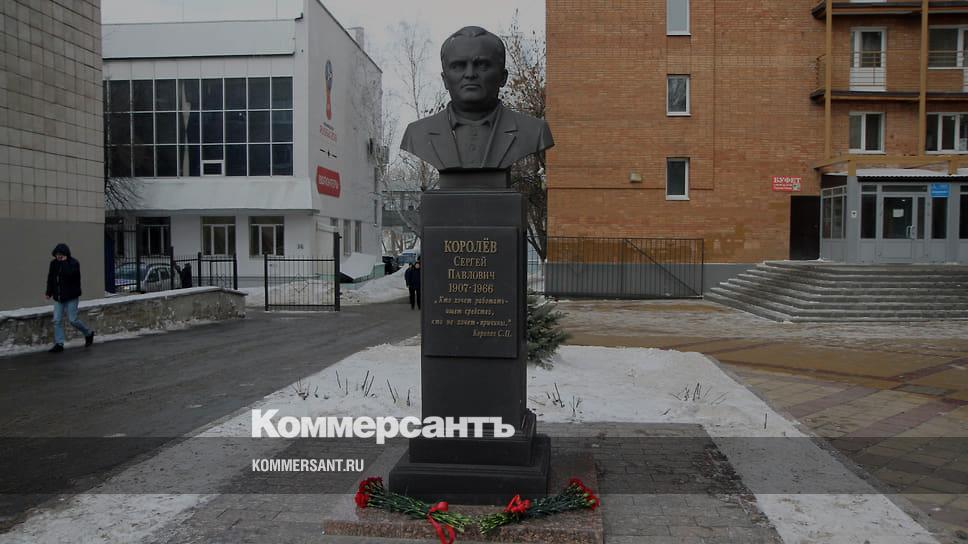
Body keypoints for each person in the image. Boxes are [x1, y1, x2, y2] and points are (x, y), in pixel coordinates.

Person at [399, 26, 554, 172]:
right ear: (445, 79)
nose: (470, 74)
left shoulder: (535, 131)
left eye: (482, 65)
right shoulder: (416, 134)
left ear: (503, 77)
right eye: (458, 66)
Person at [45, 243, 94, 353]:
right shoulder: (53, 264)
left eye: (61, 254)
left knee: (73, 320)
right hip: (59, 297)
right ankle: (59, 344)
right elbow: (51, 278)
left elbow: (71, 275)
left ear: (66, 254)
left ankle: (88, 333)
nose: (58, 256)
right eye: (57, 254)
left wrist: (64, 263)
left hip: (71, 296)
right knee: (57, 320)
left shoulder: (73, 263)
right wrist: (49, 292)